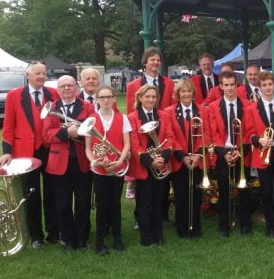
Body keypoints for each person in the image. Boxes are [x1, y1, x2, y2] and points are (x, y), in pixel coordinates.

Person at [0, 62, 60, 248]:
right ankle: (35, 236)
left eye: (44, 73)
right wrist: (7, 152)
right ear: (28, 75)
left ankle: (54, 232)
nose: (42, 76)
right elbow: (8, 126)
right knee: (31, 193)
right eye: (37, 73)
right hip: (26, 152)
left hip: (49, 149)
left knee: (52, 192)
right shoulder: (14, 95)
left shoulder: (53, 94)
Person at [42, 75, 95, 251]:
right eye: (63, 86)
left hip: (82, 162)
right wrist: (66, 133)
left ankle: (82, 237)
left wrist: (77, 132)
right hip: (59, 163)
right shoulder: (52, 108)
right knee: (63, 204)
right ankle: (68, 238)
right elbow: (47, 135)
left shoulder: (87, 106)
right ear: (58, 89)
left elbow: (93, 130)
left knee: (83, 202)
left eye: (70, 85)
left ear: (76, 88)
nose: (66, 89)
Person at [84, 85, 131, 254]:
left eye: (108, 97)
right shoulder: (91, 120)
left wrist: (119, 161)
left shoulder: (122, 118)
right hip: (100, 170)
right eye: (101, 97)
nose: (105, 100)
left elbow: (127, 144)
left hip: (117, 168)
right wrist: (94, 162)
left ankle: (117, 237)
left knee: (115, 203)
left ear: (113, 99)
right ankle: (100, 240)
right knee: (102, 204)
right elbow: (88, 148)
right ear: (96, 100)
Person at [245, 71, 274, 238]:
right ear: (259, 87)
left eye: (270, 84)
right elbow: (248, 132)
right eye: (264, 85)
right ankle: (271, 225)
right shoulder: (251, 109)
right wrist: (259, 140)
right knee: (266, 192)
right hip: (263, 153)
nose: (267, 87)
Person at [128, 84, 174, 246]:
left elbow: (169, 137)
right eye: (147, 96)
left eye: (154, 97)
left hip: (160, 164)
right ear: (140, 98)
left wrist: (163, 157)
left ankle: (158, 233)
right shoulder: (132, 117)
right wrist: (151, 161)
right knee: (145, 203)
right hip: (144, 167)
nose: (151, 100)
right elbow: (134, 145)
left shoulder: (163, 115)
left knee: (158, 202)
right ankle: (146, 237)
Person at [165, 79, 211, 238]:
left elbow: (207, 134)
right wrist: (183, 157)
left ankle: (195, 227)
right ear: (178, 94)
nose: (186, 94)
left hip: (198, 161)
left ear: (193, 93)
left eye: (189, 91)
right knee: (181, 195)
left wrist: (198, 155)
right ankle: (182, 228)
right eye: (182, 91)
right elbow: (170, 137)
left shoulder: (203, 110)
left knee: (197, 196)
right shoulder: (169, 111)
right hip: (179, 161)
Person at [208, 71, 253, 237]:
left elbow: (249, 131)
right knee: (224, 189)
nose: (229, 88)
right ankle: (224, 225)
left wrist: (239, 152)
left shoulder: (248, 105)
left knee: (244, 190)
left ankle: (245, 224)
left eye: (232, 85)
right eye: (225, 85)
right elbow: (213, 133)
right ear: (220, 86)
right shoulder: (213, 107)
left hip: (241, 151)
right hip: (224, 153)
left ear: (237, 85)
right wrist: (223, 153)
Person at [125, 47, 175, 113]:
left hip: (165, 122)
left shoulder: (170, 83)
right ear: (145, 62)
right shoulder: (132, 86)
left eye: (158, 60)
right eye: (152, 60)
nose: (156, 62)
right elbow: (131, 112)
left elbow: (174, 108)